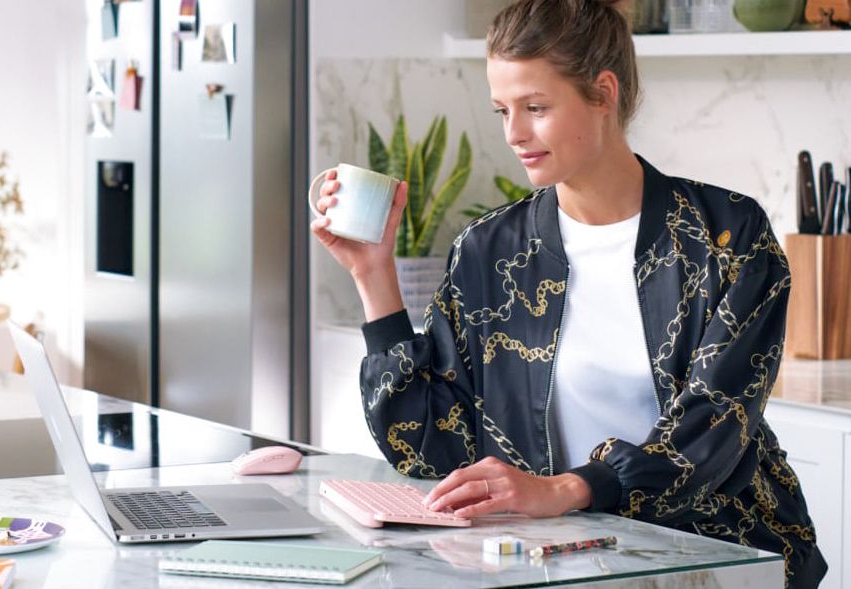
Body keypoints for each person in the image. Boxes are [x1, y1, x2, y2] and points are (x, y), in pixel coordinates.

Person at [310, 0, 826, 586]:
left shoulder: (727, 236)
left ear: (603, 93)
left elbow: (713, 428)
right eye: (503, 109)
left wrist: (567, 490)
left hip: (724, 554)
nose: (513, 133)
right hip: (560, 562)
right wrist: (372, 276)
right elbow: (433, 453)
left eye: (536, 108)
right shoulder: (489, 250)